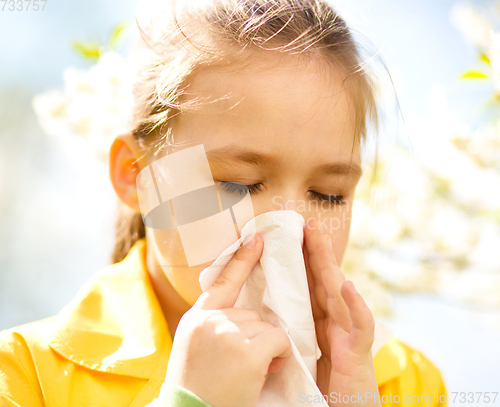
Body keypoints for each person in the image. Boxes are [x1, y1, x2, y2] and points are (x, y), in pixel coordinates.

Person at [0, 0, 447, 406]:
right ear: (137, 176)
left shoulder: (405, 385)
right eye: (239, 184)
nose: (286, 228)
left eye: (327, 194)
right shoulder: (26, 376)